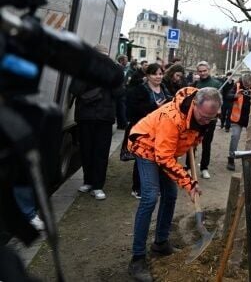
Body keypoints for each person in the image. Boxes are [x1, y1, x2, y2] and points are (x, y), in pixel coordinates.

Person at [127, 87, 220, 282]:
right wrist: (188, 182)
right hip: (145, 145)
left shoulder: (206, 117)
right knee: (151, 197)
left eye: (210, 119)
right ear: (194, 104)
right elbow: (163, 158)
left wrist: (189, 158)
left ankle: (160, 243)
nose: (206, 121)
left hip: (166, 151)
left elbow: (192, 140)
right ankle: (137, 258)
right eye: (204, 117)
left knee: (170, 195)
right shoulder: (171, 117)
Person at [70, 44, 122, 200]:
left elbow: (120, 93)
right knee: (86, 150)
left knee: (101, 152)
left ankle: (98, 185)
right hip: (85, 116)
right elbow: (75, 89)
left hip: (104, 117)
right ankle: (88, 181)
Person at [126, 63, 172, 199]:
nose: (158, 77)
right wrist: (153, 106)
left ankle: (153, 186)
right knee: (142, 157)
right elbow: (133, 109)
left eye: (160, 74)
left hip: (160, 130)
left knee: (157, 157)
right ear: (148, 75)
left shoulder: (164, 88)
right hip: (144, 130)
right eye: (155, 74)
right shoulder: (140, 90)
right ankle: (137, 187)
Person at [194, 61, 222, 179]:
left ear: (208, 70)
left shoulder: (216, 83)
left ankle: (204, 167)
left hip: (210, 118)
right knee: (192, 142)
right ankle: (189, 166)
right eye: (200, 71)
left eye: (204, 70)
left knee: (207, 143)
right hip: (197, 118)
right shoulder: (195, 84)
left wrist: (219, 109)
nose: (202, 73)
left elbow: (220, 100)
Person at [226, 73, 251, 171]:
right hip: (237, 118)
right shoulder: (237, 85)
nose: (247, 87)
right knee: (235, 137)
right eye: (246, 85)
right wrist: (235, 96)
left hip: (250, 118)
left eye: (249, 85)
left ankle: (248, 159)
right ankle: (231, 158)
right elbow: (228, 96)